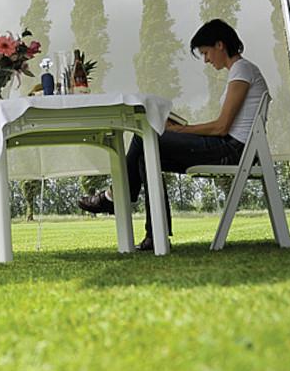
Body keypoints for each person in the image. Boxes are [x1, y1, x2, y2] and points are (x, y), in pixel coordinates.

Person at [78, 19, 269, 250]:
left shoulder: (242, 69)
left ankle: (115, 196)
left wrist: (180, 130)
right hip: (229, 147)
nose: (206, 60)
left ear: (220, 45)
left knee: (143, 137)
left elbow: (221, 127)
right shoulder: (241, 71)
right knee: (145, 156)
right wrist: (180, 129)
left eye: (206, 53)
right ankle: (154, 235)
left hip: (233, 151)